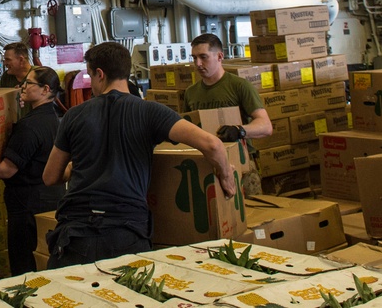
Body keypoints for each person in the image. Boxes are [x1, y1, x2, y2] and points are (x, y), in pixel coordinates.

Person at [42, 41, 235, 268]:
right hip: (126, 232)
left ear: (100, 74)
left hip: (75, 234)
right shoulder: (150, 112)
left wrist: (73, 168)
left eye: (91, 76)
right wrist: (226, 179)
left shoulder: (74, 115)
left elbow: (50, 177)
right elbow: (212, 145)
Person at [0, 66, 64, 275]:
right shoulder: (54, 119)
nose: (22, 86)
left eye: (28, 83)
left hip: (27, 207)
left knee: (25, 267)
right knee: (44, 263)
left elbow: (6, 170)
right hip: (52, 200)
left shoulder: (30, 126)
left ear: (45, 89)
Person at [185, 33, 273, 195]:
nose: (198, 64)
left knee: (253, 216)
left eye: (203, 57)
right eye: (194, 58)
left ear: (219, 56)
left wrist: (240, 130)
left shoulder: (239, 86)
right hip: (208, 166)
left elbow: (266, 126)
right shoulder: (190, 93)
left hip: (241, 163)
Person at [0, 42, 63, 118]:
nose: (4, 63)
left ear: (21, 60)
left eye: (8, 60)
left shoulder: (39, 75)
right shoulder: (6, 77)